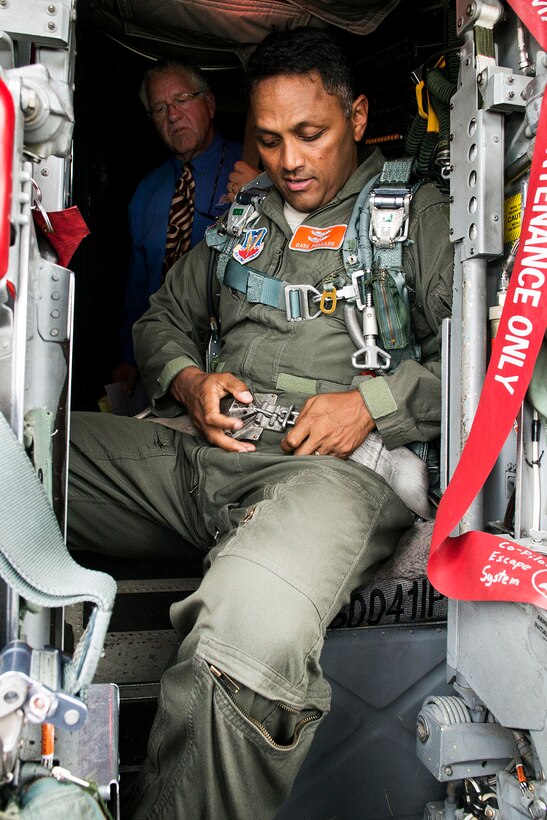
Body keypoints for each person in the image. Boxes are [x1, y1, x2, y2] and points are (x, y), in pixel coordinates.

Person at [68, 27, 453, 820]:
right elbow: (162, 318)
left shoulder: (416, 218)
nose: (289, 161)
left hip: (331, 476)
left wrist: (373, 403)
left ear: (354, 115)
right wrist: (190, 378)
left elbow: (495, 364)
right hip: (201, 450)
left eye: (309, 134)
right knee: (24, 457)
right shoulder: (243, 220)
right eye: (270, 140)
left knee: (244, 637)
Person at [113, 59, 244, 390]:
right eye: (159, 108)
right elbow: (137, 287)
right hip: (161, 361)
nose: (172, 116)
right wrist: (129, 357)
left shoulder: (254, 169)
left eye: (182, 100)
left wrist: (261, 193)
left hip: (232, 360)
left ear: (209, 104)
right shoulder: (146, 192)